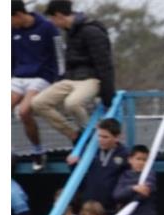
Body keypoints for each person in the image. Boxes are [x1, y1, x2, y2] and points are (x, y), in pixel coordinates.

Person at [33, 1, 115, 143]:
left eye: (52, 19)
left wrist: (108, 96)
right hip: (71, 78)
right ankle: (73, 134)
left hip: (91, 79)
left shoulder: (92, 31)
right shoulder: (70, 32)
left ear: (59, 16)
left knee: (72, 103)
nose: (52, 23)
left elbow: (105, 64)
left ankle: (92, 133)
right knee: (38, 103)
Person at [12, 1, 62, 171]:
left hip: (42, 76)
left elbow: (59, 54)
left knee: (24, 111)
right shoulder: (12, 31)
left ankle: (38, 150)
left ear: (18, 15)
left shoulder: (47, 28)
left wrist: (60, 78)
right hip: (19, 77)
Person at [71, 118, 127, 213]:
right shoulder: (90, 151)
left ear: (117, 137)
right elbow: (79, 176)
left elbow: (127, 181)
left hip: (111, 209)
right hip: (88, 208)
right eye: (99, 136)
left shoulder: (125, 155)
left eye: (105, 137)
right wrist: (73, 164)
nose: (101, 140)